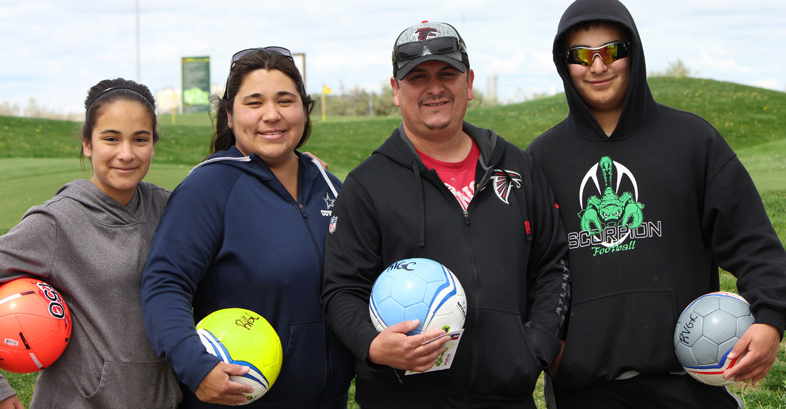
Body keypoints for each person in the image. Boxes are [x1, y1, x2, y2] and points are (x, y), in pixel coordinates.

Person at [526, 0, 786, 409]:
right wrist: (551, 347)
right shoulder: (541, 158)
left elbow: (751, 240)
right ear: (564, 62)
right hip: (583, 388)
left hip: (685, 382)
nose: (597, 65)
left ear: (634, 54)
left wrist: (772, 318)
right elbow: (528, 269)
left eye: (612, 51)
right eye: (581, 54)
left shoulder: (692, 140)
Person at [321, 21, 571, 408]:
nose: (434, 88)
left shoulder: (518, 168)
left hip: (506, 398)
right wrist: (372, 344)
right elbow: (341, 290)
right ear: (395, 90)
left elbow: (552, 264)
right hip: (402, 399)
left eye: (447, 74)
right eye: (417, 77)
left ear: (468, 83)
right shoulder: (368, 185)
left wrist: (536, 343)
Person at [140, 47, 354, 409]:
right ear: (228, 115)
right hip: (239, 399)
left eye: (285, 101)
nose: (272, 115)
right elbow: (165, 283)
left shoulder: (328, 184)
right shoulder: (208, 188)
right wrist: (195, 366)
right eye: (254, 103)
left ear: (305, 109)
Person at [0, 78, 182, 408]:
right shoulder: (56, 222)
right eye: (111, 139)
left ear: (153, 143)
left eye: (140, 139)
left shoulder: (169, 208)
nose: (126, 154)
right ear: (88, 143)